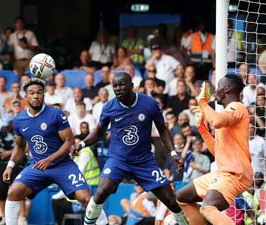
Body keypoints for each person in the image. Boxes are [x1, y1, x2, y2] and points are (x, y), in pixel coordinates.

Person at [71, 72, 188, 225]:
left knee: (170, 200)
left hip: (144, 161)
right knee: (100, 192)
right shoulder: (109, 107)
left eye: (121, 85)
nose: (118, 89)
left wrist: (173, 153)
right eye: (115, 86)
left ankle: (185, 223)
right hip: (118, 160)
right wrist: (81, 145)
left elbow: (163, 130)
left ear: (132, 86)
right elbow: (98, 133)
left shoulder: (150, 104)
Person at [2, 78, 108, 225]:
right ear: (25, 96)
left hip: (62, 165)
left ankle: (105, 223)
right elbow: (19, 147)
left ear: (44, 94)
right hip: (38, 166)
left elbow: (69, 142)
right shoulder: (19, 120)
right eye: (31, 93)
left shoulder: (56, 114)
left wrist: (49, 159)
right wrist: (10, 166)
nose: (36, 96)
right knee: (13, 192)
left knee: (85, 198)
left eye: (39, 92)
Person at [177, 75, 253, 225]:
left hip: (235, 174)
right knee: (182, 197)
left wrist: (202, 103)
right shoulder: (227, 115)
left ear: (226, 89)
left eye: (218, 86)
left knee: (208, 208)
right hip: (224, 172)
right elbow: (217, 151)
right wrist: (202, 128)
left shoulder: (237, 107)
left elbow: (217, 121)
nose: (215, 90)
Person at [51, 129, 101, 225]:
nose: (75, 146)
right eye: (74, 144)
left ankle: (58, 223)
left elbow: (78, 173)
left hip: (89, 189)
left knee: (56, 201)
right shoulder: (79, 154)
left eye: (77, 143)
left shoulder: (85, 153)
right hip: (84, 188)